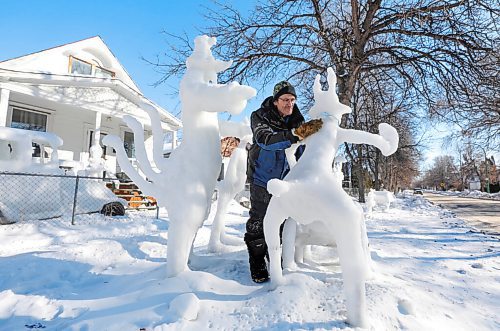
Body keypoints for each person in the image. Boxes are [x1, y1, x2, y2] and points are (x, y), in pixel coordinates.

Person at [245, 81, 323, 283]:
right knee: (258, 220)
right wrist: (295, 135)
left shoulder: (297, 120)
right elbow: (266, 140)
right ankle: (257, 260)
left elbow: (304, 151)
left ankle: (275, 254)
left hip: (286, 181)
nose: (290, 104)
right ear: (275, 100)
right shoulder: (259, 116)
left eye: (293, 100)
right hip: (262, 177)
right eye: (285, 100)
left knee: (281, 221)